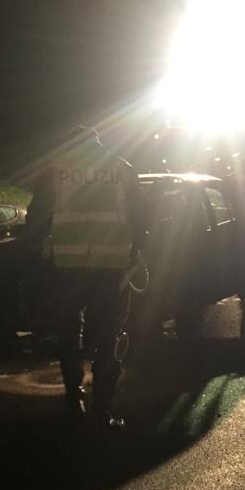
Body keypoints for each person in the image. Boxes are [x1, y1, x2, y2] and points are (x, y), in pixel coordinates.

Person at [26, 125, 147, 430]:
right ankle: (103, 410)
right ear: (98, 144)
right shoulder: (121, 169)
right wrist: (137, 252)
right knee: (108, 338)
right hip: (110, 268)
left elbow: (35, 218)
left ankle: (73, 400)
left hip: (67, 268)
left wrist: (41, 252)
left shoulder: (56, 173)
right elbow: (144, 215)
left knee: (69, 333)